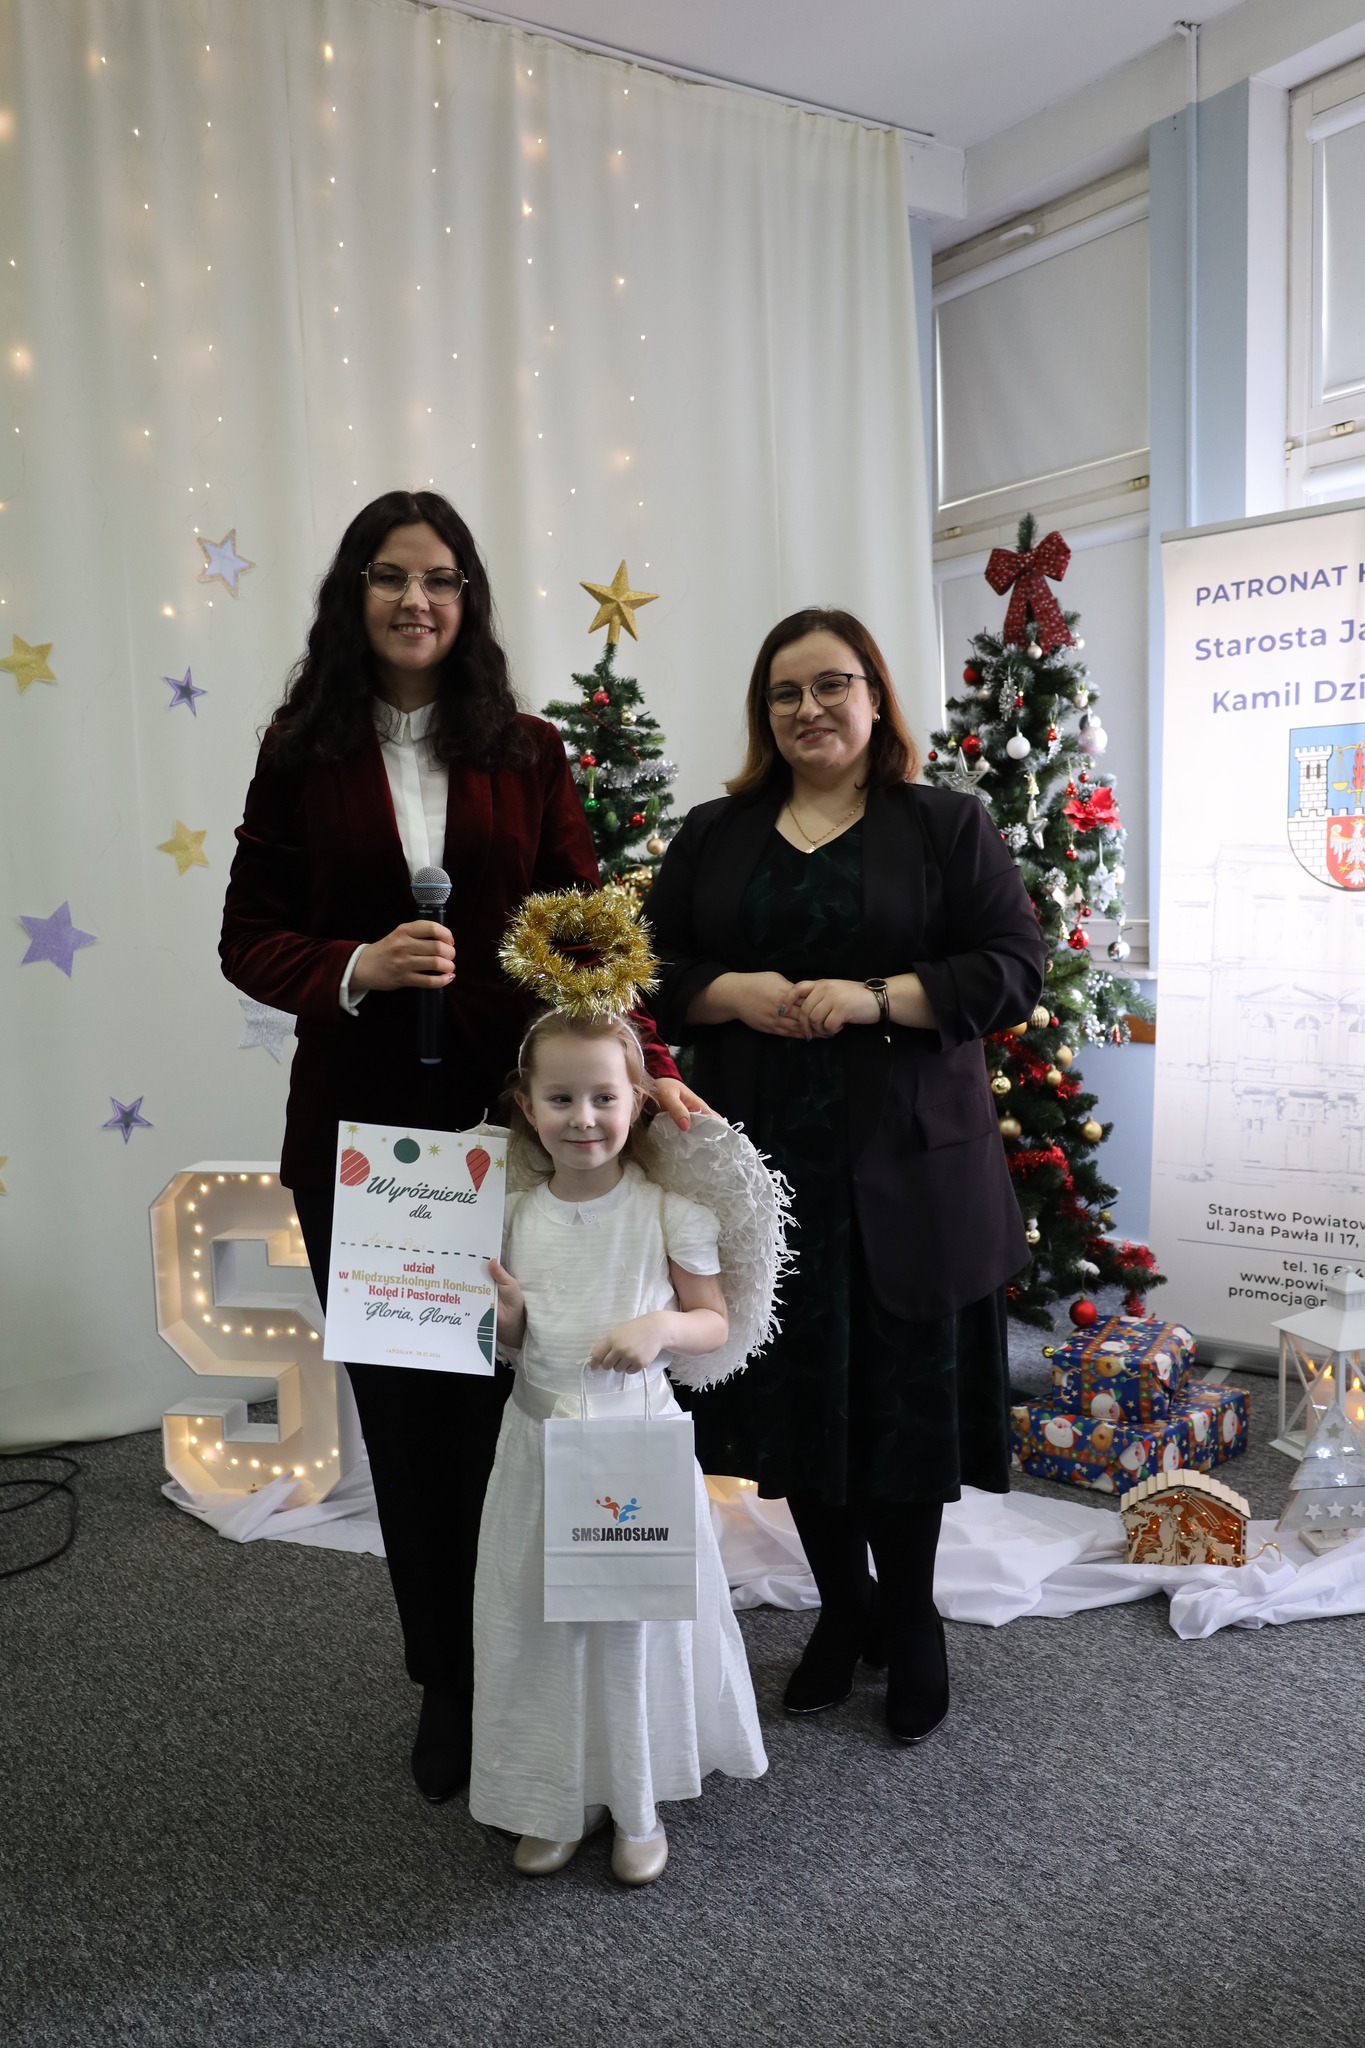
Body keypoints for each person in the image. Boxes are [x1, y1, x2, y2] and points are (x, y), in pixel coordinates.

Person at [219, 490, 702, 1802]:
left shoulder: (526, 750)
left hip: (525, 1132)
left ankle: (555, 1662)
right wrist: (354, 965)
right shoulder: (300, 750)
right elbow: (248, 934)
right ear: (354, 596)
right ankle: (449, 1675)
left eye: (438, 578)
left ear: (468, 598)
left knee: (530, 1401)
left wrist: (651, 1068)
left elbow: (590, 930)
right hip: (367, 1146)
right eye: (389, 576)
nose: (415, 599)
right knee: (413, 1422)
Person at [646, 607, 1047, 1743]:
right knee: (795, 1398)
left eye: (832, 684)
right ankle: (845, 1603)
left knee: (899, 1401)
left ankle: (910, 1617)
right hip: (764, 1167)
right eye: (785, 692)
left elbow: (1012, 967)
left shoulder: (944, 825)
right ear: (763, 713)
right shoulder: (716, 833)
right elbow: (651, 964)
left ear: (874, 696)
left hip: (910, 1166)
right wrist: (730, 991)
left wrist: (876, 998)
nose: (809, 708)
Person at [472, 1007, 767, 1886]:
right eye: (560, 1098)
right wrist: (508, 1317)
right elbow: (515, 1345)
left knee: (628, 1627)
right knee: (545, 1627)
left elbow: (714, 1322)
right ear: (527, 1106)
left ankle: (636, 1804)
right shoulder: (512, 1217)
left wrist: (660, 1327)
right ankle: (557, 1797)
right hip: (538, 1449)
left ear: (637, 1101)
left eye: (603, 1097)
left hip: (631, 1454)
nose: (583, 1118)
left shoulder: (669, 1213)